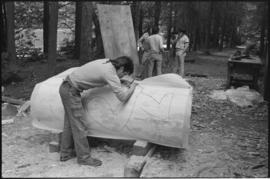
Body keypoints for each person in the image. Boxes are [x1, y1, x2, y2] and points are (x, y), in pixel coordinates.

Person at [59, 56, 138, 166]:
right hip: (71, 92)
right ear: (121, 68)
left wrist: (120, 80)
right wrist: (133, 87)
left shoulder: (107, 63)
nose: (122, 76)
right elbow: (123, 97)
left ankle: (65, 153)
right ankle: (84, 158)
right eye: (124, 74)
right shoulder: (109, 73)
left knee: (70, 124)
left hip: (66, 87)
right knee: (79, 126)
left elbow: (105, 76)